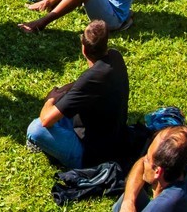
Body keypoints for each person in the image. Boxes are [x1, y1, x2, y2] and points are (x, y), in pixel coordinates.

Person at [25, 20, 129, 170]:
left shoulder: (90, 80)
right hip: (115, 138)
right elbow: (82, 85)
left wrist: (50, 100)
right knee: (63, 112)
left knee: (36, 129)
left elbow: (46, 120)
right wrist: (66, 90)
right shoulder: (115, 57)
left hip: (90, 155)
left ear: (84, 50)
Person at [117, 126, 187, 212]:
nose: (144, 160)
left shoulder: (159, 208)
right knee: (129, 198)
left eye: (148, 159)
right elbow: (141, 162)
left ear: (157, 172)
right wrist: (128, 202)